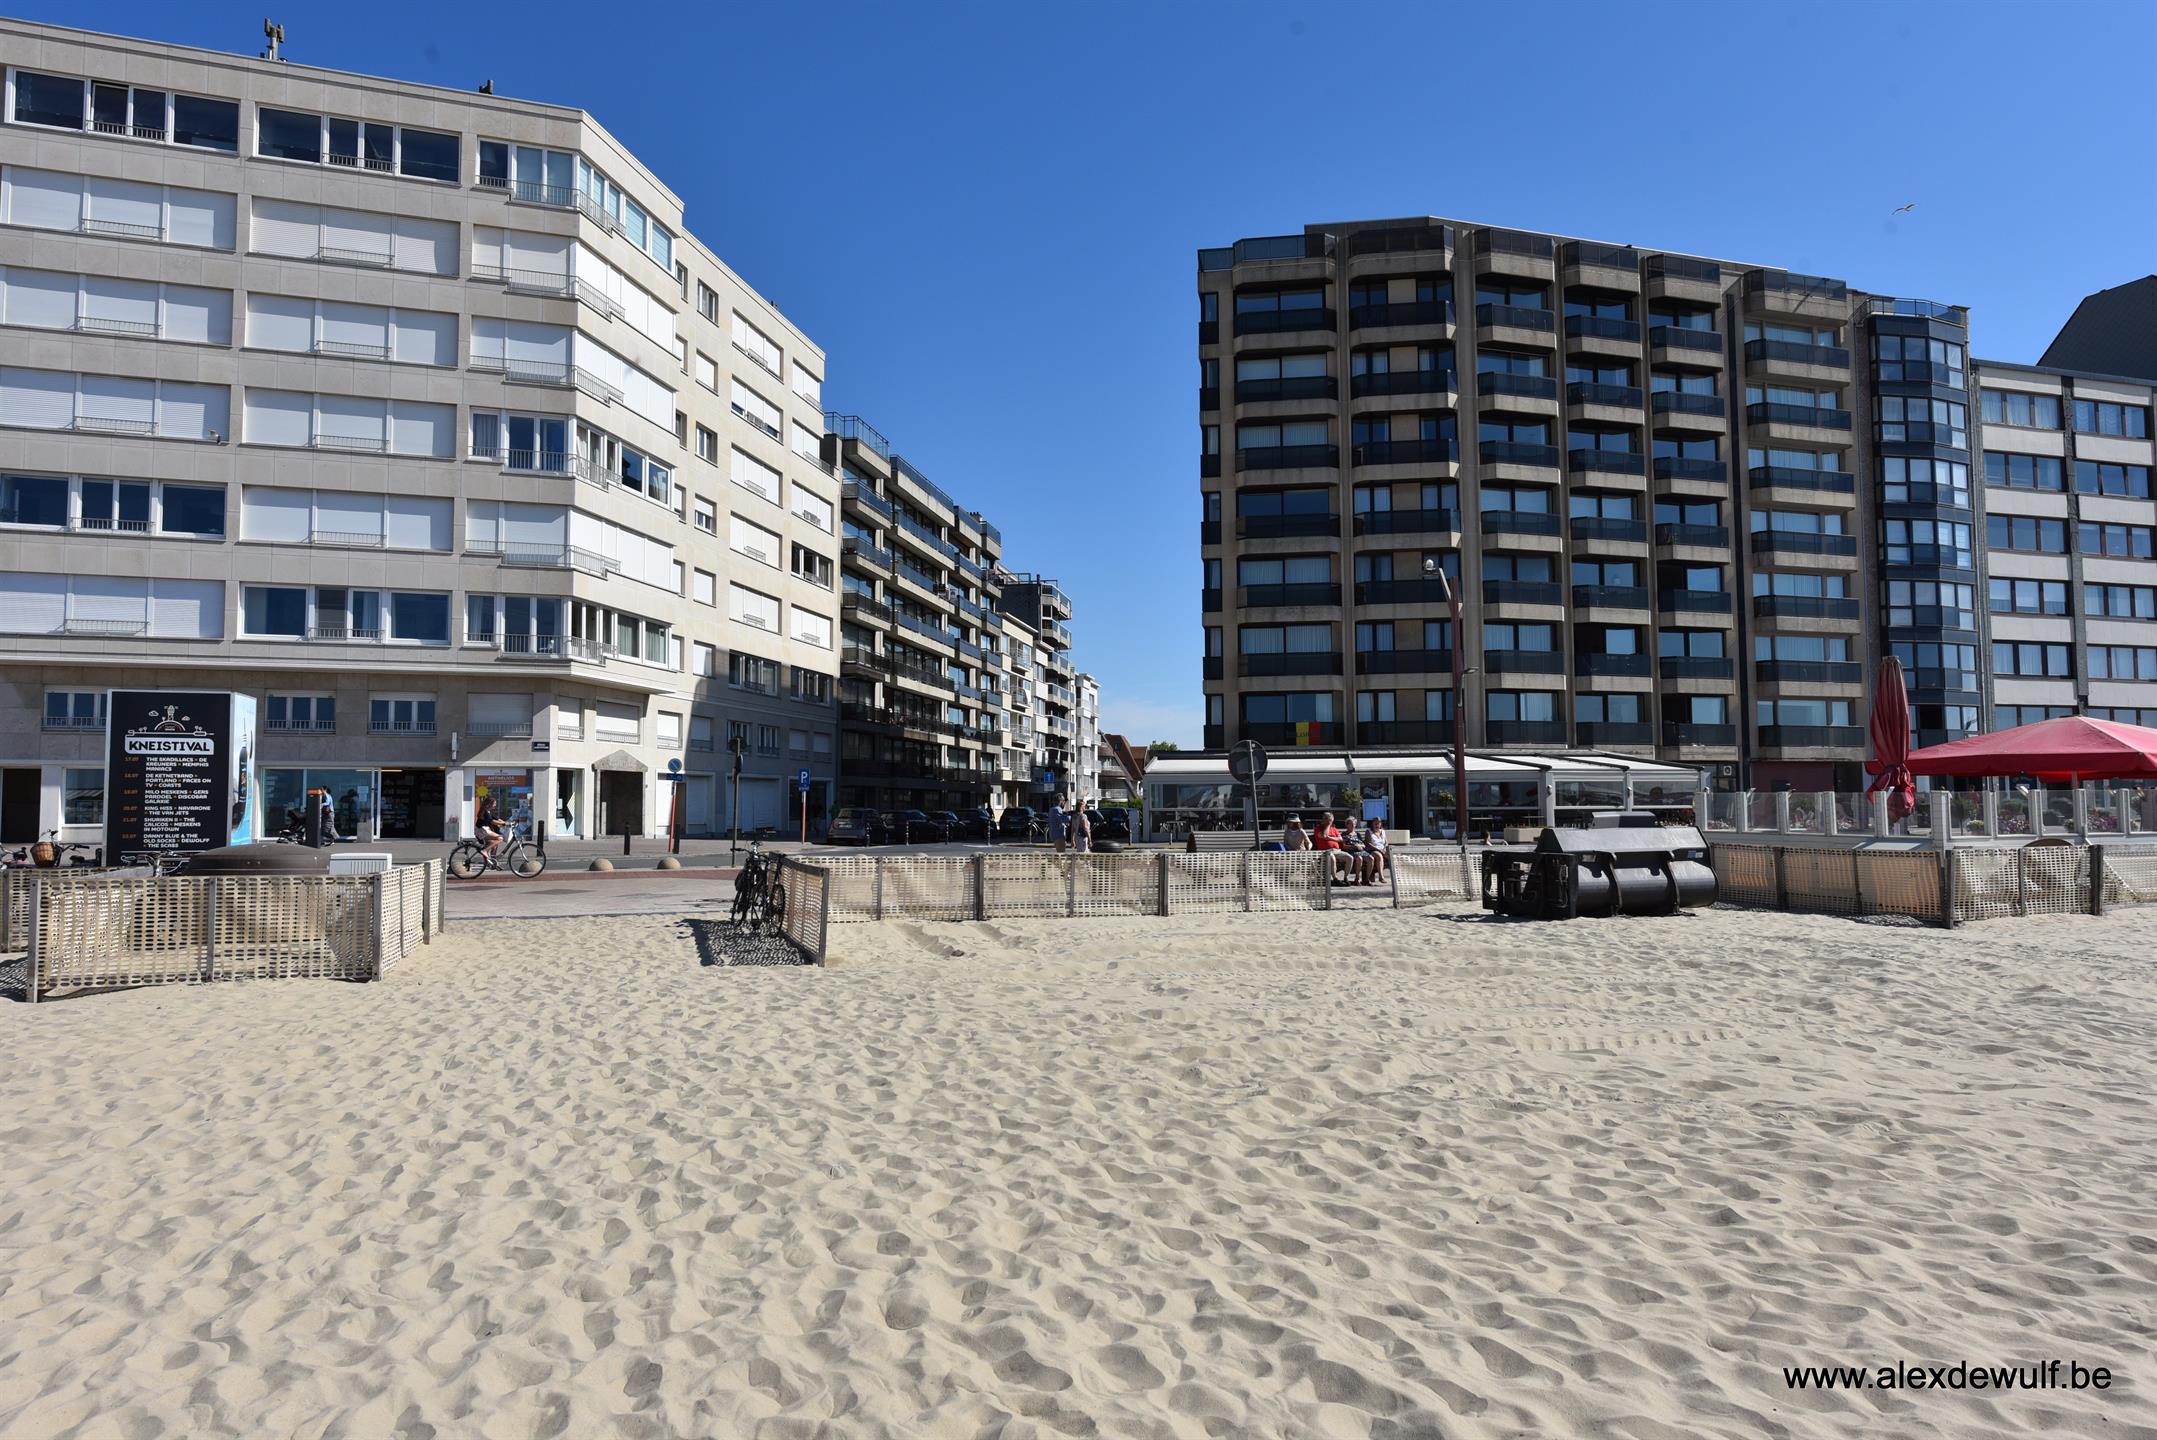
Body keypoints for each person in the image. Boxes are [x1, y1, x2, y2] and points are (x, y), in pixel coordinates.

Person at [476, 793, 505, 860]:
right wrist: (504, 825)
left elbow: (497, 819)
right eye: (494, 804)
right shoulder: (485, 812)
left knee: (493, 844)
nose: (495, 805)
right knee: (500, 838)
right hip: (482, 830)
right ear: (489, 804)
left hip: (483, 830)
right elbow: (493, 822)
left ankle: (491, 861)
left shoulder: (489, 811)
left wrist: (507, 823)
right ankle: (484, 851)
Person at [1363, 820, 1389, 886]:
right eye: (1375, 824)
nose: (1377, 825)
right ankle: (1381, 876)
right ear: (1372, 824)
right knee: (1379, 855)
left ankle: (1398, 877)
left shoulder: (1382, 831)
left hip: (1382, 849)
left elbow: (1386, 842)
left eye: (1378, 824)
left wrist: (1384, 848)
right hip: (1371, 850)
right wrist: (1379, 850)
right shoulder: (1368, 831)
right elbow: (1368, 843)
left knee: (1393, 856)